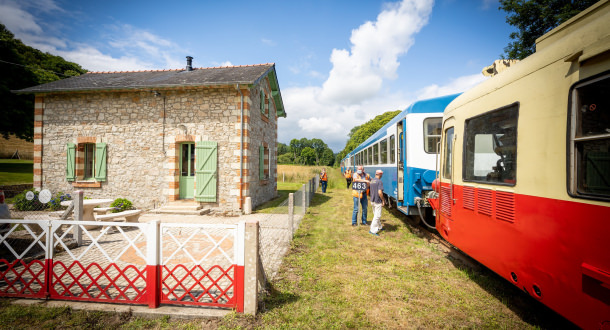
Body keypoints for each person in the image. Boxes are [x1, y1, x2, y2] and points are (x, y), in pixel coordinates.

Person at [369, 169, 386, 236]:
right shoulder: (379, 181)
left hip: (372, 200)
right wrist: (383, 200)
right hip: (377, 201)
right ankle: (372, 230)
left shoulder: (372, 181)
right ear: (380, 174)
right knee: (377, 216)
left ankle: (379, 227)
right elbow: (380, 192)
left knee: (376, 214)